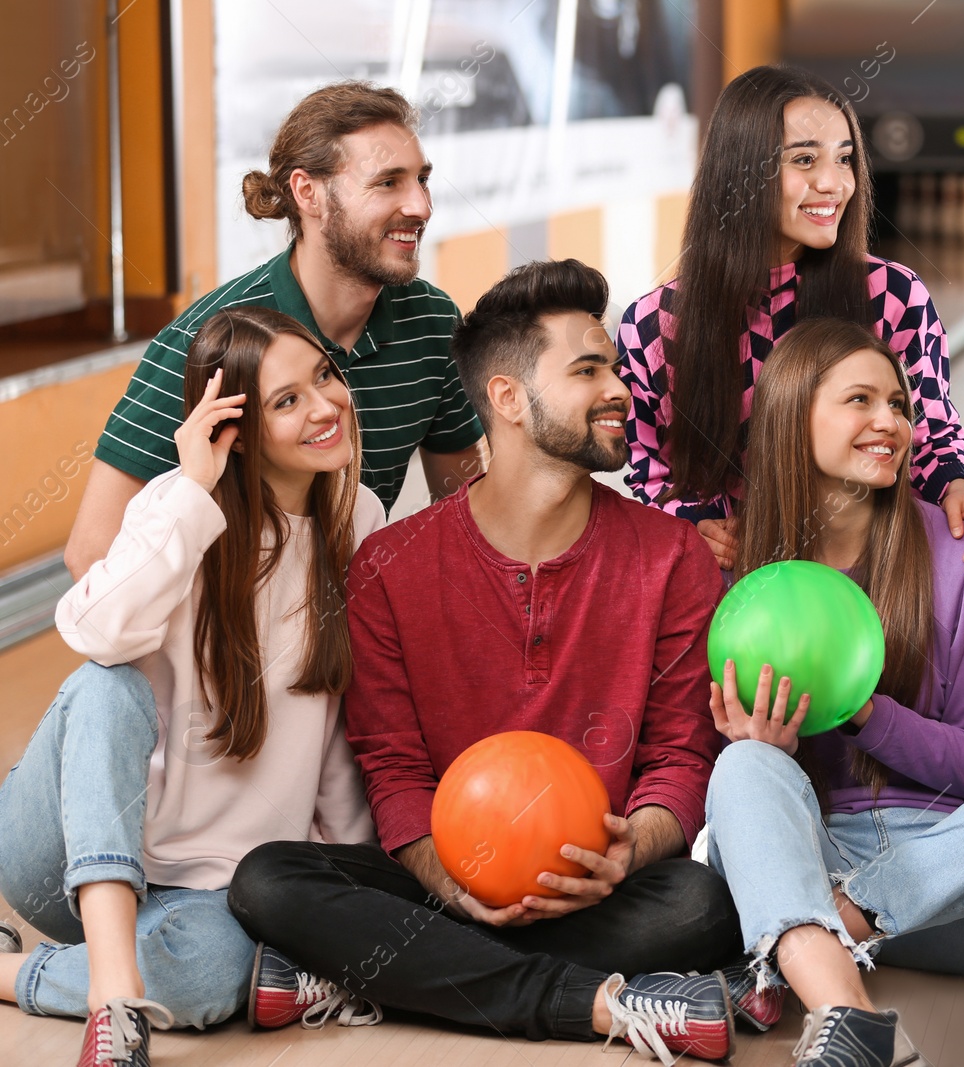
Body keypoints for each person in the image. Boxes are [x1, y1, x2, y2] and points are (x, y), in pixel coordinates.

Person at [226, 259, 747, 1064]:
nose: (619, 387)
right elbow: (393, 768)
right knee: (267, 879)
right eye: (587, 369)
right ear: (506, 399)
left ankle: (381, 978)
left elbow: (680, 757)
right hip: (447, 887)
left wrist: (627, 853)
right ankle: (590, 1002)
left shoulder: (672, 557)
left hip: (594, 889)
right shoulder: (389, 564)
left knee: (701, 905)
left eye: (612, 364)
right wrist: (446, 879)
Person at [702, 318, 964, 1067]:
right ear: (795, 416)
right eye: (860, 400)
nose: (890, 422)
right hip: (808, 851)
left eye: (898, 403)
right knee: (741, 770)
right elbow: (736, 798)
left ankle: (818, 934)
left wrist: (867, 714)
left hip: (953, 893)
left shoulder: (960, 552)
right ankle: (849, 1016)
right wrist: (765, 749)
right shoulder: (743, 572)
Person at [0, 307, 387, 1066]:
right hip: (59, 851)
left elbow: (346, 718)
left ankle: (13, 971)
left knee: (211, 975)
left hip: (203, 889)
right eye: (286, 400)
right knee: (107, 684)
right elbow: (94, 632)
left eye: (325, 377)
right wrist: (194, 489)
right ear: (233, 429)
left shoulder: (359, 517)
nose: (324, 405)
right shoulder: (176, 510)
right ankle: (115, 1002)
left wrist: (345, 899)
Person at [65, 80, 484, 581]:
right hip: (223, 641)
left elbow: (464, 515)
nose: (420, 206)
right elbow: (92, 555)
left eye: (422, 179)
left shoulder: (433, 322)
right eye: (388, 182)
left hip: (355, 627)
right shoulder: (208, 339)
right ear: (308, 192)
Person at [616, 64, 964, 578]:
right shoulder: (653, 325)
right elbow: (649, 468)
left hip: (871, 568)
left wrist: (957, 486)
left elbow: (930, 428)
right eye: (804, 159)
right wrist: (689, 522)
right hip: (735, 584)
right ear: (740, 172)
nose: (833, 184)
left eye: (845, 160)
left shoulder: (892, 294)